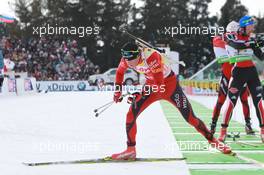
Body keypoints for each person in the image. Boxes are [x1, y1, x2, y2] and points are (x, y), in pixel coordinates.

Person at [111, 42, 232, 160]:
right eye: (126, 60)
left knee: (190, 118)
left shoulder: (151, 57)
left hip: (169, 86)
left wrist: (140, 93)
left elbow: (159, 85)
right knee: (130, 115)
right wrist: (118, 91)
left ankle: (214, 142)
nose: (129, 63)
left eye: (131, 60)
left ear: (138, 54)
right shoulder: (127, 58)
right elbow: (120, 73)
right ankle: (130, 150)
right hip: (151, 85)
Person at [218, 16, 264, 143]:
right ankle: (223, 132)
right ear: (243, 26)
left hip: (251, 72)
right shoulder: (230, 36)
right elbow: (236, 45)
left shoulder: (250, 38)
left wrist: (260, 44)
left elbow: (261, 56)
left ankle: (263, 131)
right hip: (238, 72)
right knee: (231, 102)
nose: (253, 28)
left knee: (258, 101)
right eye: (251, 25)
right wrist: (251, 43)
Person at [210, 21, 254, 135]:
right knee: (221, 101)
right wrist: (229, 39)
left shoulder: (241, 39)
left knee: (244, 100)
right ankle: (213, 125)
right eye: (235, 32)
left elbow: (246, 44)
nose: (238, 34)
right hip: (227, 76)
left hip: (240, 75)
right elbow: (216, 40)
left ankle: (248, 125)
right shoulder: (220, 39)